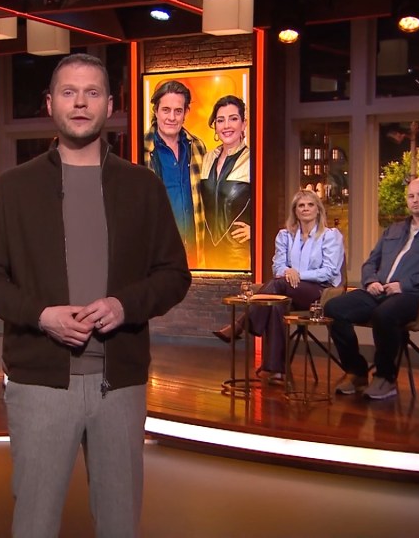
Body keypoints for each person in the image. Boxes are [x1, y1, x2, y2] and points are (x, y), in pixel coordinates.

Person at [0, 54, 191, 538]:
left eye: (92, 93)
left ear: (110, 105)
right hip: (40, 386)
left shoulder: (143, 187)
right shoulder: (13, 189)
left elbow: (174, 274)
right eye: (69, 92)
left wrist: (124, 305)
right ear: (50, 104)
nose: (81, 103)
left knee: (119, 524)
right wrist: (40, 315)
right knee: (35, 524)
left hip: (120, 385)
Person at [324, 177, 419, 400]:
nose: (415, 200)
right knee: (334, 308)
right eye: (411, 196)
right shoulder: (394, 229)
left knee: (385, 314)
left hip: (416, 295)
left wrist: (405, 285)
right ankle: (356, 371)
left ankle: (385, 377)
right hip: (379, 291)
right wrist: (371, 281)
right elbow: (371, 262)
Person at [213, 190, 344, 380]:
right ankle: (277, 370)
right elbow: (278, 267)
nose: (306, 209)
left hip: (320, 292)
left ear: (318, 210)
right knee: (276, 305)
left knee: (278, 285)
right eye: (301, 205)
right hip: (287, 290)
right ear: (295, 211)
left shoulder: (330, 236)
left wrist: (297, 274)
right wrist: (288, 273)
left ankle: (241, 324)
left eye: (310, 205)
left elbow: (330, 271)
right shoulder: (285, 236)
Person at [143, 80, 207, 268]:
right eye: (166, 110)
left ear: (186, 113)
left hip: (195, 257)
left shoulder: (198, 147)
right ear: (156, 111)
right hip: (156, 259)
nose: (172, 117)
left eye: (178, 111)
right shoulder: (141, 149)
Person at [199, 95, 252, 270]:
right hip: (208, 252)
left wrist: (257, 231)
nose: (226, 125)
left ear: (243, 124)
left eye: (233, 119)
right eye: (221, 120)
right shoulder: (207, 158)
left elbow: (273, 206)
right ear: (215, 126)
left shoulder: (253, 160)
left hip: (239, 253)